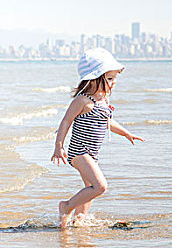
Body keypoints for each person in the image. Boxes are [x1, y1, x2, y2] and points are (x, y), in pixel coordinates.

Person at [51, 48, 145, 228]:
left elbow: (108, 121)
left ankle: (78, 222)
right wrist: (59, 147)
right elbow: (65, 122)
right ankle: (66, 206)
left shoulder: (103, 100)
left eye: (115, 78)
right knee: (100, 186)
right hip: (79, 152)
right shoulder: (83, 100)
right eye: (109, 78)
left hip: (92, 153)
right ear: (94, 78)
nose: (114, 82)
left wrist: (126, 133)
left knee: (90, 189)